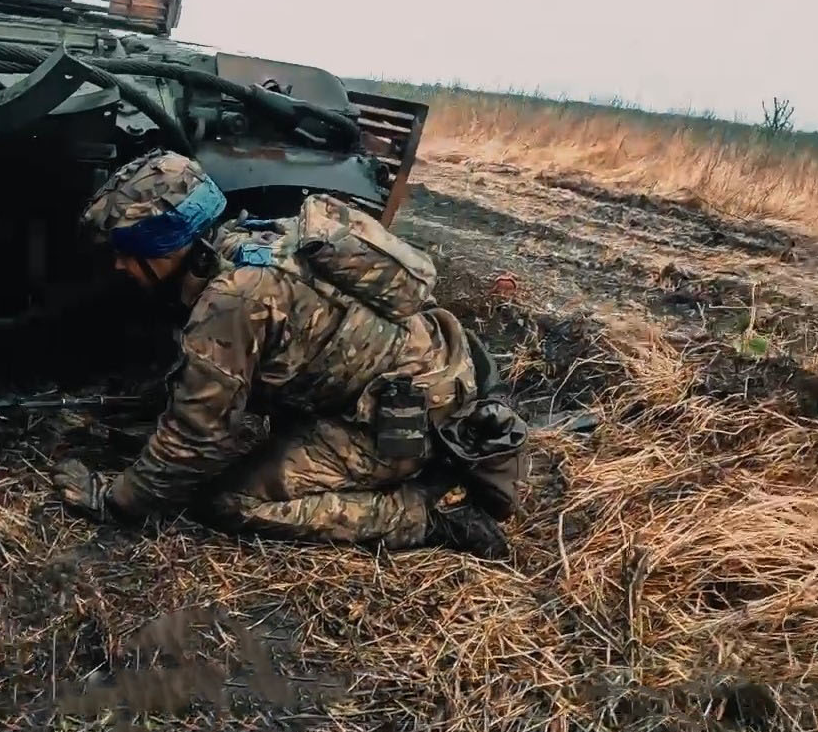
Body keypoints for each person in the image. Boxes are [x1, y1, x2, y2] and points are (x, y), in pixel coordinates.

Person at [49, 150, 514, 559]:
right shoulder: (251, 239)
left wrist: (116, 502)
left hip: (403, 418)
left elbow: (193, 442)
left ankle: (429, 516)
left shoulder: (230, 301)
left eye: (128, 251)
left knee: (230, 502)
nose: (119, 265)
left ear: (165, 242)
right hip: (435, 372)